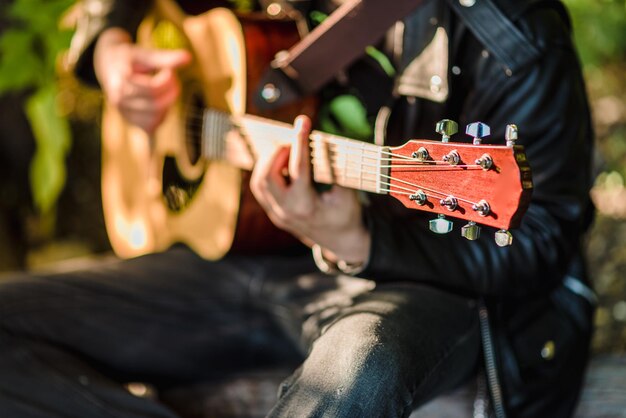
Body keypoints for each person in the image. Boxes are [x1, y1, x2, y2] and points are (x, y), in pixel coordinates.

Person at [0, 0, 596, 417]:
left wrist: (360, 241)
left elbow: (541, 241)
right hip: (251, 255)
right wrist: (110, 47)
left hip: (429, 284)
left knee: (358, 372)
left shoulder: (513, 36)